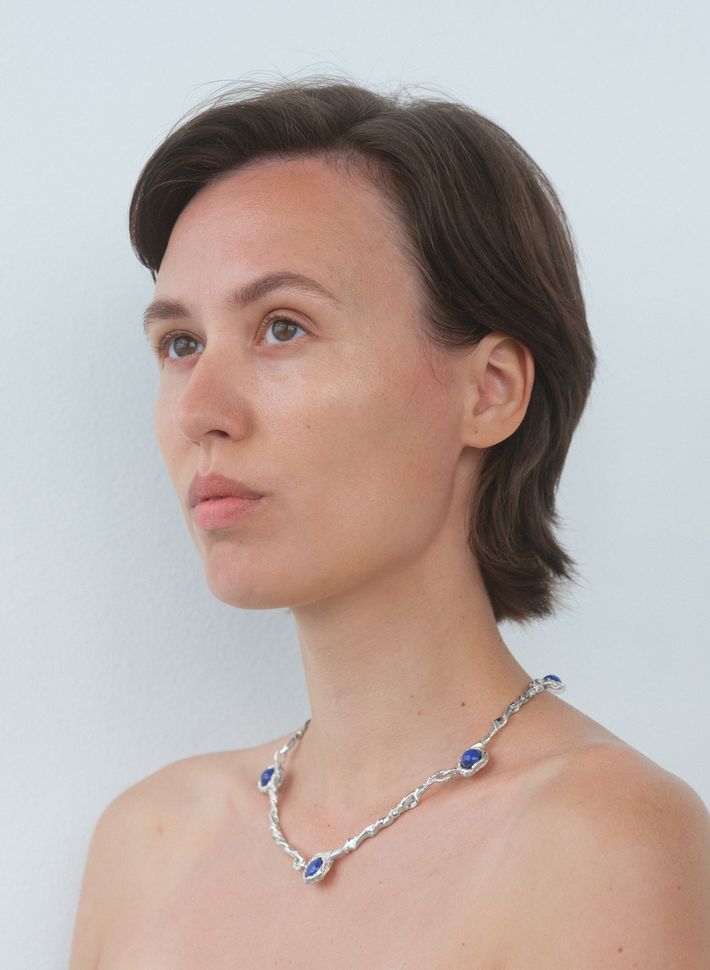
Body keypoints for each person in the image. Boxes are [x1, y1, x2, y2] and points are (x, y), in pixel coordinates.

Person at [69, 76, 710, 968]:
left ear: (490, 392)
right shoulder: (148, 845)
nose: (199, 410)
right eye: (181, 344)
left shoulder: (604, 843)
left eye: (283, 327)